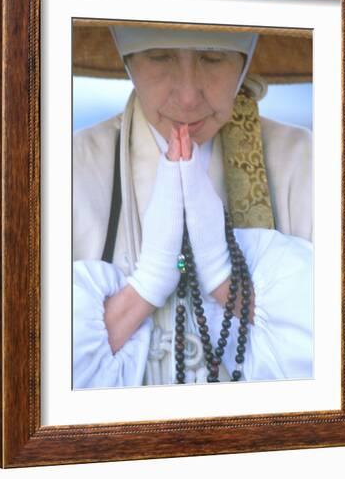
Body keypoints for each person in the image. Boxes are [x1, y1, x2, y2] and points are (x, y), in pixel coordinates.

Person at [72, 26, 313, 388]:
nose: (187, 97)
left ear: (245, 61)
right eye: (159, 56)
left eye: (213, 58)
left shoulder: (306, 162)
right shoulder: (66, 167)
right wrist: (148, 282)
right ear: (128, 58)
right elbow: (37, 370)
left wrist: (221, 275)